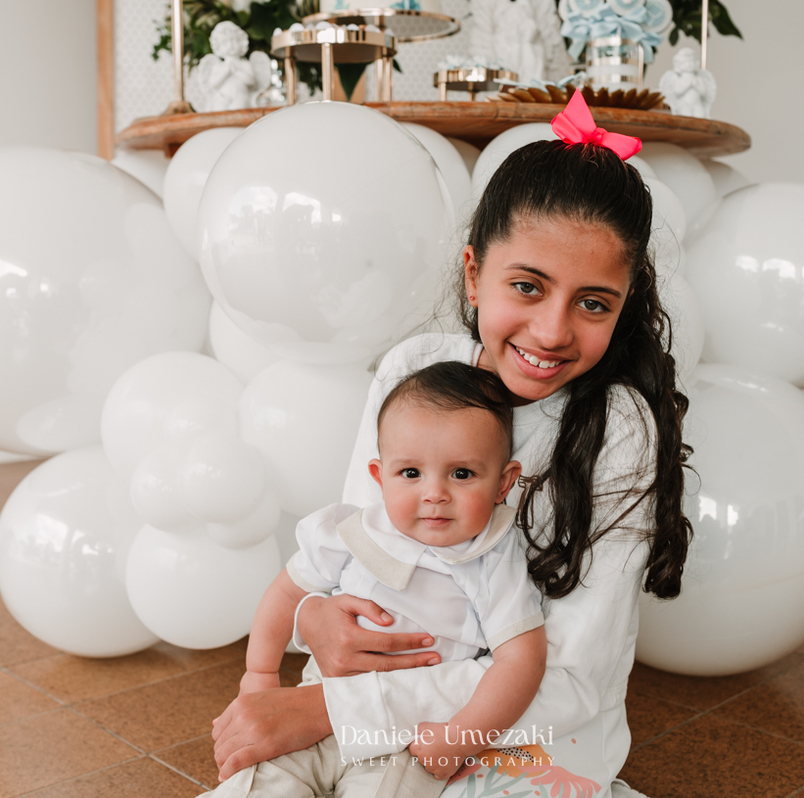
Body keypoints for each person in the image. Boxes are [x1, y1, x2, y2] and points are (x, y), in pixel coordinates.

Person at [210, 93, 692, 798]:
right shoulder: (415, 371)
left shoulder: (618, 427)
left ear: (622, 309)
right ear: (474, 274)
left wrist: (327, 707)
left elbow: (571, 676)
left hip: (518, 739)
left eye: (593, 303)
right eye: (527, 286)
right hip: (366, 707)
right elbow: (360, 547)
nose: (553, 330)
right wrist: (313, 618)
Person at [204, 362, 548, 796]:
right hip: (309, 709)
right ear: (378, 477)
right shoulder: (348, 531)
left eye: (462, 474)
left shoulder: (492, 557)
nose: (434, 493)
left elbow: (522, 661)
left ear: (503, 483)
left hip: (401, 736)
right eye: (410, 473)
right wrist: (259, 673)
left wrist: (463, 736)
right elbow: (287, 591)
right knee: (259, 783)